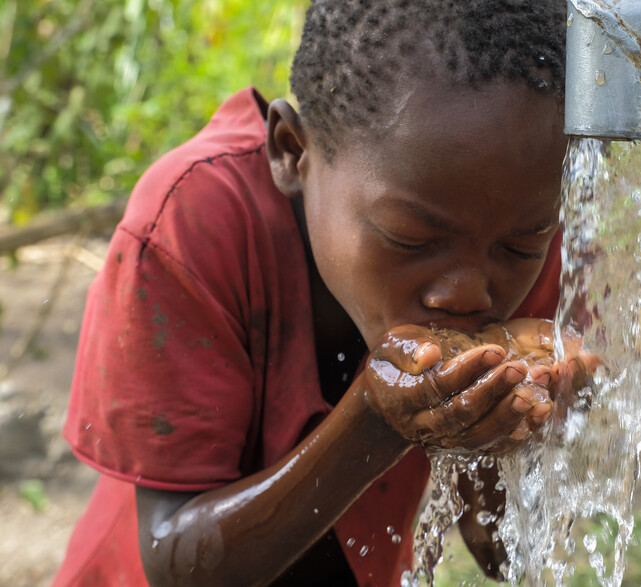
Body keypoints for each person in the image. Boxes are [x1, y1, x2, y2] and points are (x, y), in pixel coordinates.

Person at [54, 1, 585, 585]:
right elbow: (177, 560)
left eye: (520, 247)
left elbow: (506, 557)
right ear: (292, 151)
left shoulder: (521, 232)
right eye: (410, 239)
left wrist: (513, 427)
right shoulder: (194, 223)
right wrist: (377, 421)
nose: (467, 294)